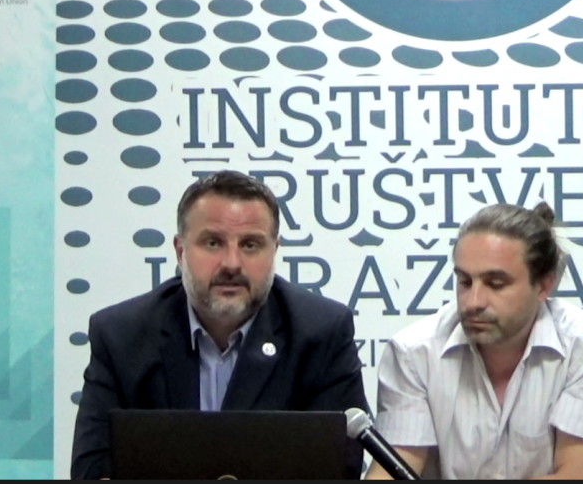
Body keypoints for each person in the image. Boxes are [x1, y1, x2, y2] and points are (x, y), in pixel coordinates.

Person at [71, 170, 370, 480]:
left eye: (250, 245)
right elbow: (92, 471)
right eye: (213, 243)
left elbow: (338, 471)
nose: (231, 264)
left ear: (275, 251)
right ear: (180, 251)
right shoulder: (121, 335)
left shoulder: (322, 333)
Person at [366, 202, 583, 480]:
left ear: (543, 286)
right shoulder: (413, 352)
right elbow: (393, 472)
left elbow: (578, 476)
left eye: (496, 284)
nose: (473, 302)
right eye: (465, 282)